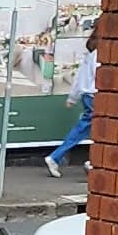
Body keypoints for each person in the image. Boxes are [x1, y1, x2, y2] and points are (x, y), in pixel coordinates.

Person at [44, 39, 95, 179]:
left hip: (87, 96)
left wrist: (73, 97)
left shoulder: (90, 55)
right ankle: (93, 161)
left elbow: (79, 78)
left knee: (83, 129)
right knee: (104, 130)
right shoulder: (101, 54)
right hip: (97, 95)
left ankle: (56, 157)